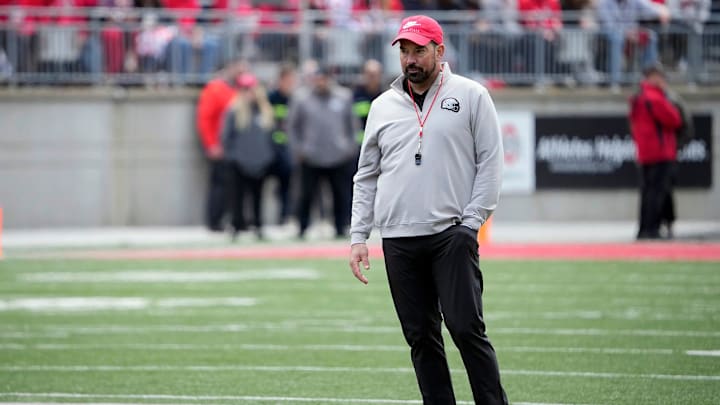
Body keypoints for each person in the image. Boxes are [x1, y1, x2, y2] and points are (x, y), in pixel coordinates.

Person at [348, 15, 508, 405]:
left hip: (450, 233)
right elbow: (366, 174)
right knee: (420, 337)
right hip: (399, 239)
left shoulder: (471, 95)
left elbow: (491, 162)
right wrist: (358, 236)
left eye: (418, 49)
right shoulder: (383, 105)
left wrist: (471, 224)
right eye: (404, 51)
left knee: (466, 329)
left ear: (440, 50)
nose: (410, 59)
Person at [288, 65, 357, 239]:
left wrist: (349, 147)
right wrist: (299, 149)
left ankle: (340, 226)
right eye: (317, 78)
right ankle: (302, 227)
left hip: (337, 155)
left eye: (323, 78)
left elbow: (352, 125)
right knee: (305, 195)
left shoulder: (344, 97)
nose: (321, 82)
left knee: (340, 194)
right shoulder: (302, 98)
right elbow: (292, 127)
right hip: (311, 156)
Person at [629, 63, 683, 240]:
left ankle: (644, 228)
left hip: (645, 152)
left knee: (647, 192)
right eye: (660, 77)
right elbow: (675, 120)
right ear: (652, 77)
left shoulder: (638, 97)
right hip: (661, 152)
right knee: (657, 193)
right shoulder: (655, 98)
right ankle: (652, 229)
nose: (663, 81)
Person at [221, 73, 275, 239]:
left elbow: (271, 136)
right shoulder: (233, 111)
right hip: (239, 162)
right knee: (237, 197)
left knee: (258, 197)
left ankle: (258, 226)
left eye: (250, 89)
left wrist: (268, 156)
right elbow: (226, 137)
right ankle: (236, 226)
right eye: (244, 89)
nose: (248, 93)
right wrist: (234, 157)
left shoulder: (265, 111)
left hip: (260, 162)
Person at [195, 60, 247, 231]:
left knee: (236, 187)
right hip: (219, 146)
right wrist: (211, 144)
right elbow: (205, 118)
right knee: (220, 186)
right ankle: (215, 221)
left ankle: (235, 220)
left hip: (235, 148)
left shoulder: (237, 90)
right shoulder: (216, 89)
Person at [267, 64, 297, 225]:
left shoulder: (295, 99)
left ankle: (285, 216)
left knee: (287, 184)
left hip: (288, 148)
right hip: (272, 148)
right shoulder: (271, 97)